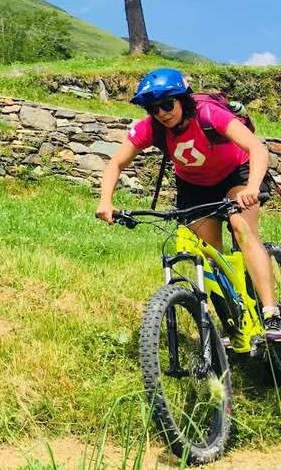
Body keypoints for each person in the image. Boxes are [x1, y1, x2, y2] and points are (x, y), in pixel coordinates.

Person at [95, 68, 280, 338]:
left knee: (243, 229)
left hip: (236, 174)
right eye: (153, 108)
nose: (161, 113)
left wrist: (252, 187)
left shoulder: (208, 114)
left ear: (183, 99)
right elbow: (116, 163)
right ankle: (235, 320)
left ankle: (271, 313)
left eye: (167, 104)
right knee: (210, 254)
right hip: (194, 186)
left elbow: (256, 148)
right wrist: (105, 202)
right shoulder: (152, 128)